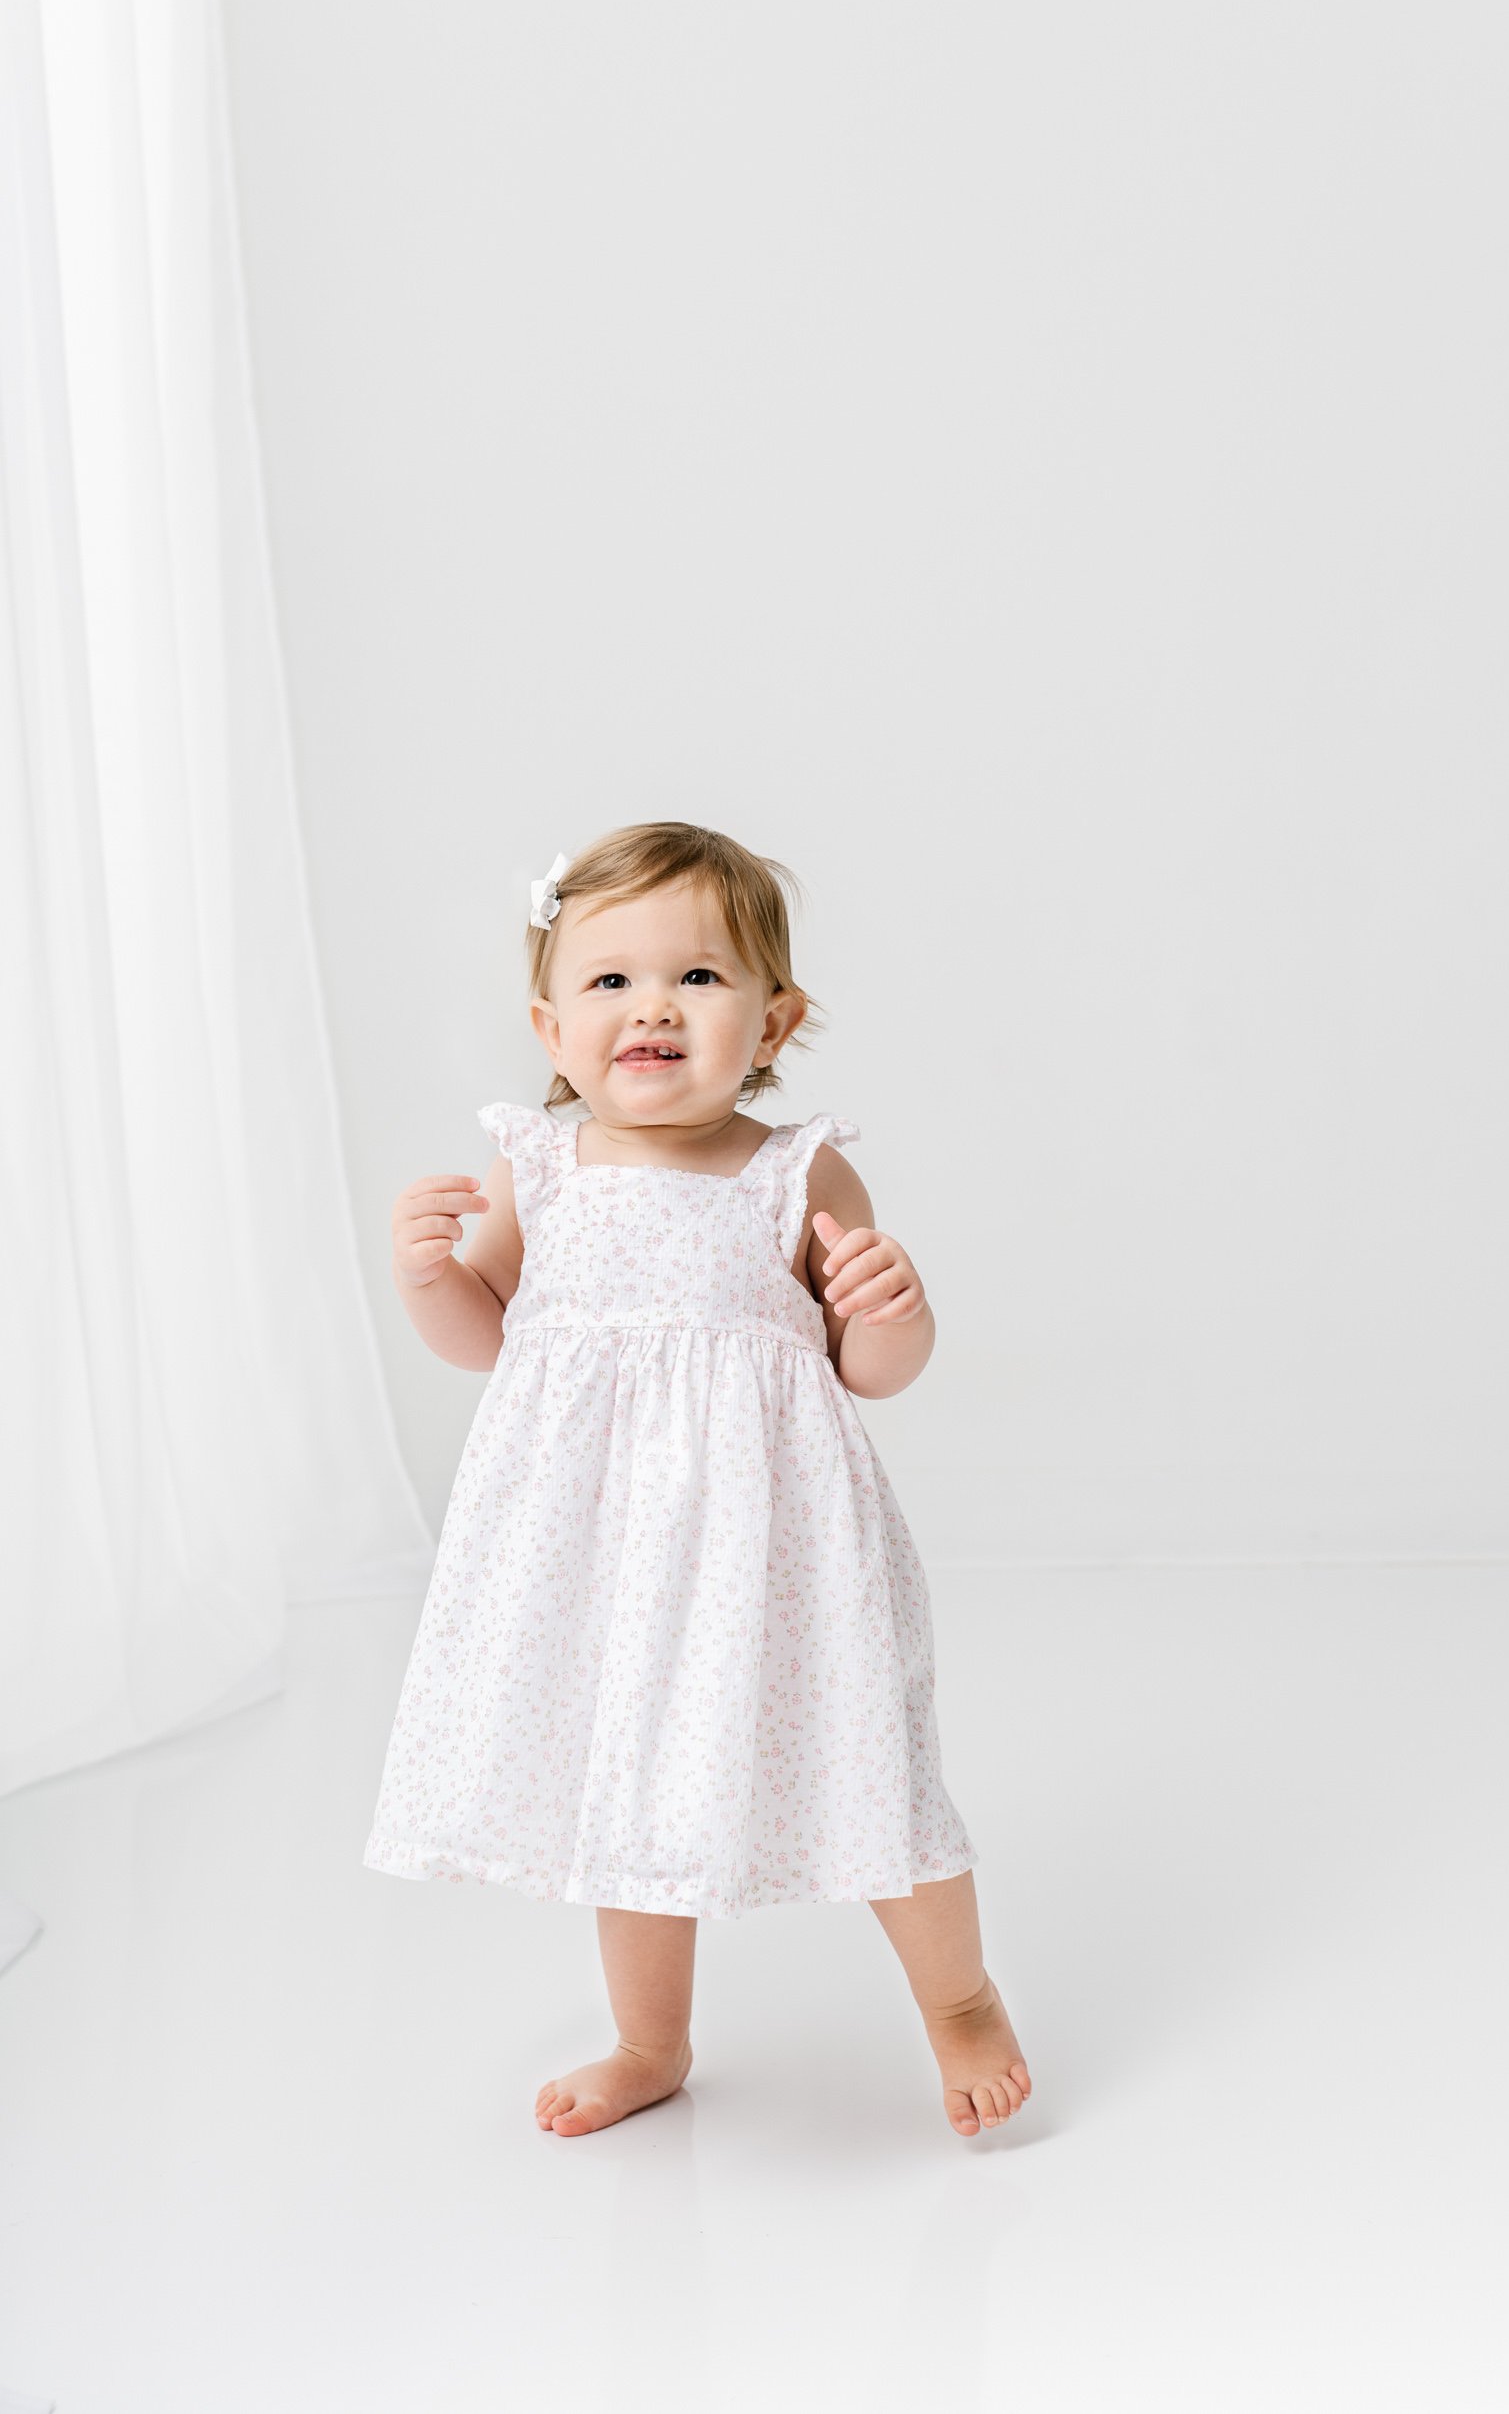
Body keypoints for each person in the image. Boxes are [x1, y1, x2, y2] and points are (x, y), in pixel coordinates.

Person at [365, 819, 1031, 2140]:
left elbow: (869, 1365)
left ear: (773, 1022)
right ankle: (649, 2037)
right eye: (609, 982)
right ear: (553, 1032)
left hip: (774, 1553)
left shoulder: (793, 1173)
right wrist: (434, 1277)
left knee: (871, 1761)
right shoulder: (541, 1171)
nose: (651, 1007)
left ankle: (959, 2001)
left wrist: (891, 1307)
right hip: (599, 1549)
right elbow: (487, 1339)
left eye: (698, 979)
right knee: (635, 1783)